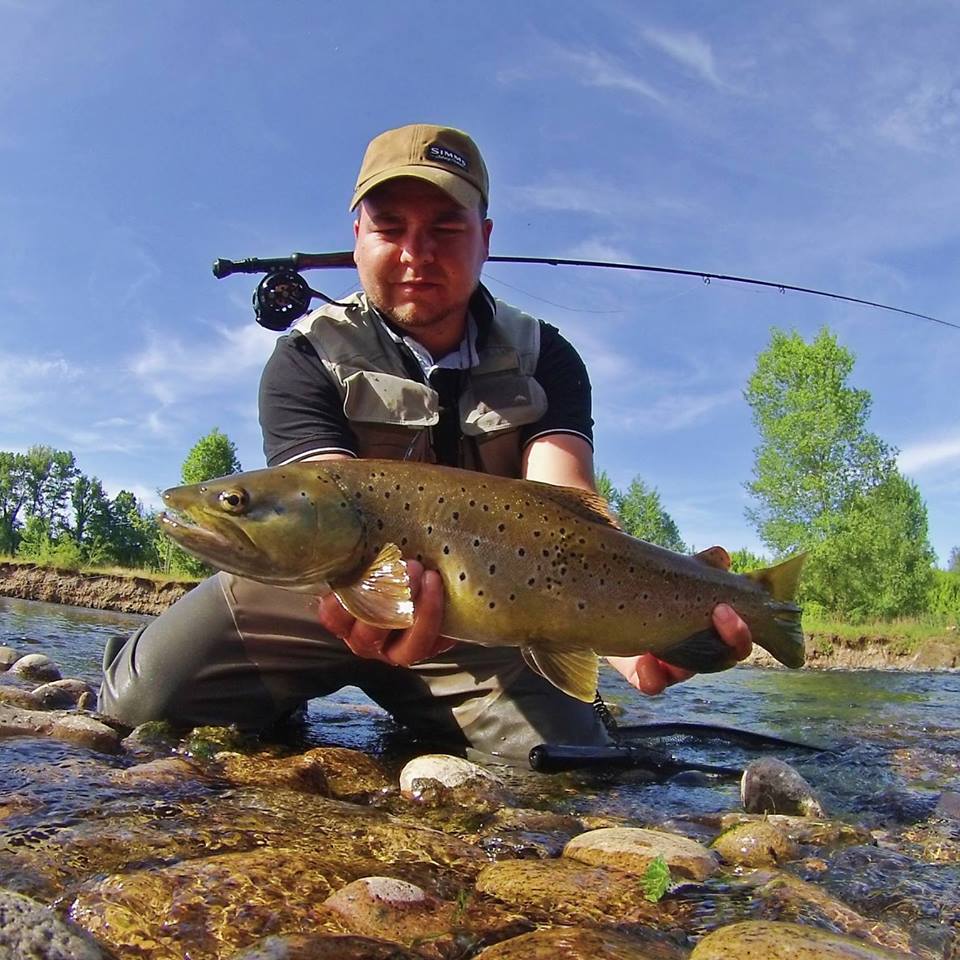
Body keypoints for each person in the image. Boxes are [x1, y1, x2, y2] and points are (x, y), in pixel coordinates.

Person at [100, 123, 752, 761]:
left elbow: (567, 507)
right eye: (390, 227)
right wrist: (371, 595)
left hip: (486, 618)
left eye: (445, 227)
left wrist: (626, 636)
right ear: (356, 235)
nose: (417, 250)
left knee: (567, 766)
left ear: (486, 238)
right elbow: (325, 505)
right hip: (314, 597)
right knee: (135, 713)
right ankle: (269, 702)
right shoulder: (305, 357)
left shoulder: (546, 357)